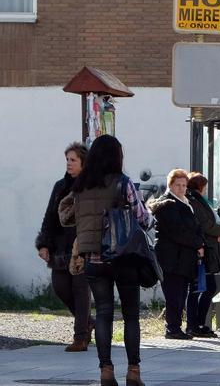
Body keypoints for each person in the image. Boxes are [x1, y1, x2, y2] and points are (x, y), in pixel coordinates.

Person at [61, 135, 149, 386]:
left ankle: (106, 371)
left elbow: (67, 216)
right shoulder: (123, 183)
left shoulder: (80, 186)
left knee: (103, 313)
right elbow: (142, 217)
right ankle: (133, 372)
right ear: (116, 157)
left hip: (93, 258)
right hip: (123, 256)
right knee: (131, 315)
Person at [35, 142, 94, 352]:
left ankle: (80, 337)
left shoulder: (90, 186)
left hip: (83, 246)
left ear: (83, 163)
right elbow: (50, 216)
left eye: (73, 160)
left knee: (80, 290)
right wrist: (43, 244)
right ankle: (87, 321)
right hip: (60, 246)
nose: (69, 164)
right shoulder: (60, 186)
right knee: (60, 287)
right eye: (67, 160)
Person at [147, 169, 204, 341]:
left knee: (181, 294)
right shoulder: (168, 205)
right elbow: (177, 231)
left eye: (184, 185)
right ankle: (172, 328)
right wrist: (197, 243)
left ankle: (176, 327)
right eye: (177, 185)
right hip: (171, 257)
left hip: (184, 257)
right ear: (170, 185)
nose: (181, 188)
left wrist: (199, 242)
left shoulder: (185, 203)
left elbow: (193, 227)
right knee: (174, 294)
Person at [185, 173, 220, 338]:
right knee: (200, 287)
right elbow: (206, 225)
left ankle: (198, 323)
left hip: (209, 248)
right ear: (200, 186)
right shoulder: (195, 202)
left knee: (205, 287)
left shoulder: (200, 201)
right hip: (203, 249)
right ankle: (195, 324)